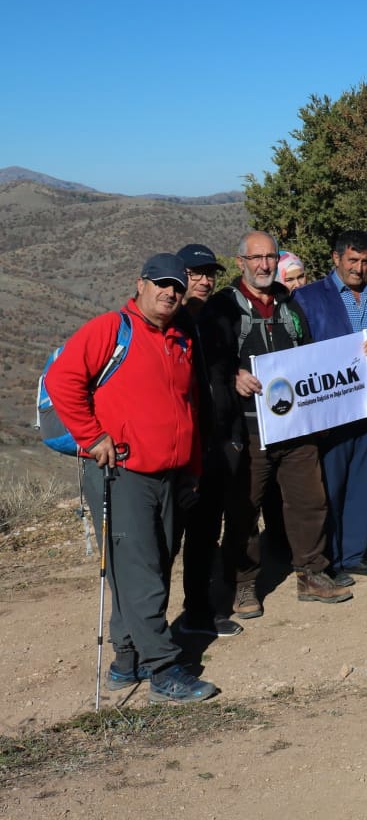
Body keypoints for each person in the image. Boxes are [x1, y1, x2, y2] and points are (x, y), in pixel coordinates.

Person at [49, 253, 219, 702]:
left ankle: (127, 661)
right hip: (120, 472)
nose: (170, 292)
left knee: (149, 567)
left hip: (170, 473)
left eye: (177, 286)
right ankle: (164, 671)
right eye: (161, 283)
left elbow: (189, 409)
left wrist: (193, 470)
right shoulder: (110, 329)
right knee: (144, 572)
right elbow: (62, 380)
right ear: (140, 284)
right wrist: (92, 436)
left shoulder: (179, 336)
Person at [202, 233, 351, 618]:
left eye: (270, 257)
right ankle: (244, 583)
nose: (265, 265)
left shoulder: (289, 303)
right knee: (243, 508)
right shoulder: (222, 307)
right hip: (248, 428)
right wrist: (232, 376)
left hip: (295, 424)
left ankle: (312, 574)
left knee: (308, 500)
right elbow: (207, 362)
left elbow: (308, 353)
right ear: (240, 263)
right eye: (256, 258)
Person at [295, 230, 367, 579]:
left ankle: (354, 555)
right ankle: (331, 560)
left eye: (366, 261)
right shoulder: (309, 298)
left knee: (362, 484)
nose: (359, 268)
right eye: (353, 260)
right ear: (336, 259)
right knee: (331, 488)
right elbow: (298, 352)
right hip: (330, 408)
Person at [170, 243, 239, 638]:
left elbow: (228, 373)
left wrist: (231, 439)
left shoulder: (217, 319)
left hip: (216, 447)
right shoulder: (167, 323)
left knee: (204, 535)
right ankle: (147, 631)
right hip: (176, 452)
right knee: (167, 543)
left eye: (210, 273)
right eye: (196, 273)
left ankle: (198, 612)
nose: (205, 280)